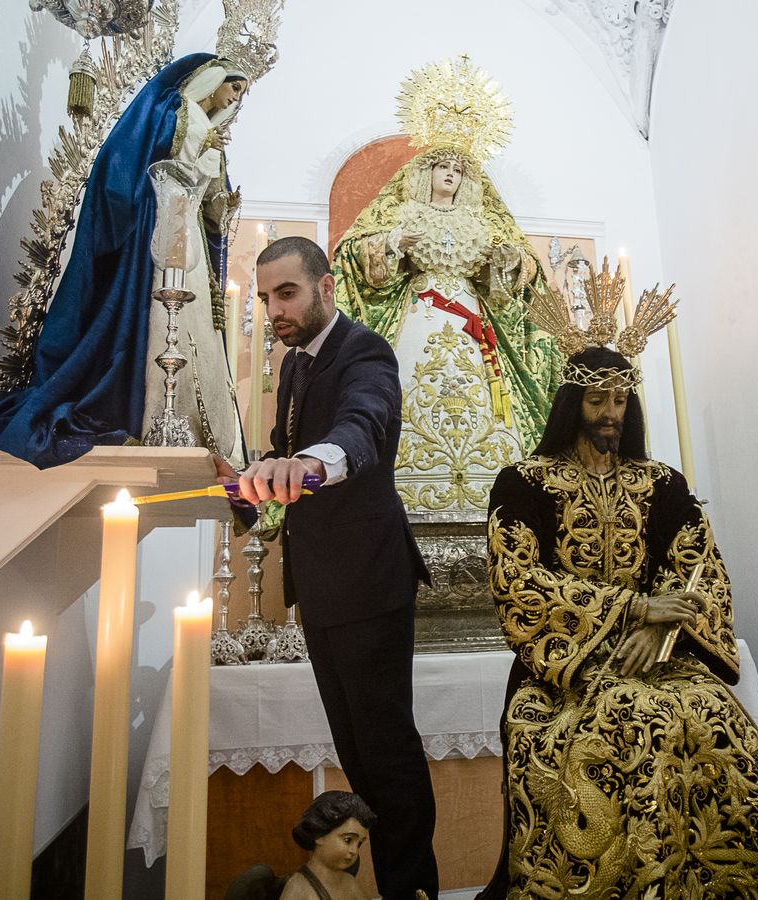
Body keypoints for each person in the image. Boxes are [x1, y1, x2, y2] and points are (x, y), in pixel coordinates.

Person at [485, 344, 758, 898]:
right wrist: (630, 608)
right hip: (566, 666)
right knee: (627, 723)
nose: (610, 413)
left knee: (714, 717)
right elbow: (517, 579)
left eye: (621, 400)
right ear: (571, 403)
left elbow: (703, 572)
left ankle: (718, 881)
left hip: (663, 654)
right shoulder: (523, 483)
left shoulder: (662, 484)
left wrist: (660, 625)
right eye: (597, 400)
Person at [213, 236, 439, 899]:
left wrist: (311, 463)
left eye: (287, 293)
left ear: (327, 287)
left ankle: (412, 891)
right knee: (360, 760)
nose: (274, 310)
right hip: (321, 587)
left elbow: (361, 429)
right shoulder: (294, 366)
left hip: (369, 585)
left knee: (389, 760)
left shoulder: (363, 351)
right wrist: (240, 486)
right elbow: (284, 475)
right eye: (264, 298)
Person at [0, 52, 249, 469]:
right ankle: (152, 414)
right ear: (212, 79)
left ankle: (189, 424)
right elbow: (135, 162)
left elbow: (209, 202)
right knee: (157, 313)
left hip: (187, 233)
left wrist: (220, 204)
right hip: (156, 224)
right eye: (234, 86)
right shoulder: (172, 112)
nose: (235, 99)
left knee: (191, 321)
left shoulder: (211, 134)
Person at [332, 146, 561, 513]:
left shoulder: (482, 221)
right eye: (443, 166)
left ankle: (490, 488)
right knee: (404, 387)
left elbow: (522, 271)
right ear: (427, 173)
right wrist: (391, 243)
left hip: (472, 317)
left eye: (458, 169)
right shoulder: (404, 213)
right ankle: (405, 486)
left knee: (488, 400)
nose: (451, 174)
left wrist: (505, 261)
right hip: (421, 310)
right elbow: (354, 254)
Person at [279, 791, 378, 900]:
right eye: (348, 840)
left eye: (359, 843)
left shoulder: (350, 883)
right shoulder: (298, 888)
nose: (354, 851)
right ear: (319, 835)